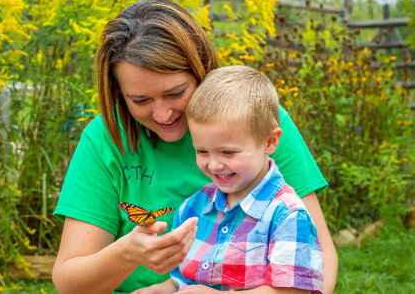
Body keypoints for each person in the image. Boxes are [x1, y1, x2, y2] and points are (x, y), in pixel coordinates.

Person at [52, 0, 337, 294]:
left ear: (200, 70)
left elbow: (317, 261)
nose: (162, 115)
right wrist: (127, 255)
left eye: (176, 93)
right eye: (140, 100)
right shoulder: (106, 138)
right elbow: (70, 284)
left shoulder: (255, 120)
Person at [134, 65, 324, 293]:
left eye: (228, 153)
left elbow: (293, 291)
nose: (213, 165)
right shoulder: (195, 208)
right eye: (202, 152)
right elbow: (183, 279)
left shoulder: (287, 216)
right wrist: (159, 290)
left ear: (270, 142)